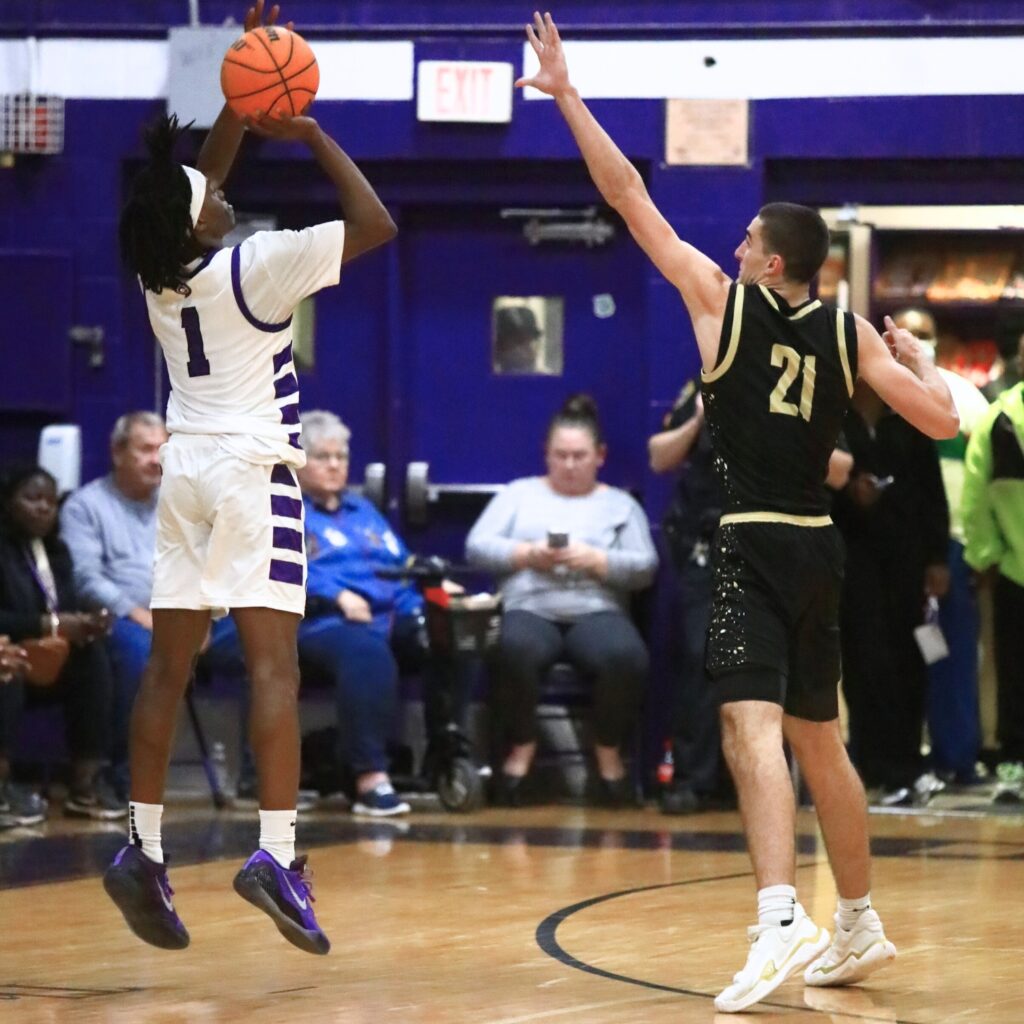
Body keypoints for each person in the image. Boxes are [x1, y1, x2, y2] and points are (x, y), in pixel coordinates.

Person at [516, 12, 958, 1012]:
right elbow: (938, 420)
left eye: (750, 237)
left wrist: (568, 97)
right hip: (820, 550)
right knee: (820, 740)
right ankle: (857, 919)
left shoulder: (720, 301)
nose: (735, 241)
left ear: (772, 264)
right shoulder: (851, 335)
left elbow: (627, 196)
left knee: (746, 727)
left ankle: (777, 917)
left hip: (750, 544)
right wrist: (925, 363)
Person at [101, 0, 396, 956]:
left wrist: (240, 83)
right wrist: (308, 132)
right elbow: (377, 224)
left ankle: (143, 847)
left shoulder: (161, 272)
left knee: (168, 666)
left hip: (185, 468)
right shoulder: (259, 267)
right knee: (276, 667)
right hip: (249, 473)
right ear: (199, 221)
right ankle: (276, 851)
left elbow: (203, 177)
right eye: (211, 197)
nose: (223, 194)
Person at [650, 384, 852, 816]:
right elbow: (659, 457)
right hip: (711, 547)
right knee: (701, 656)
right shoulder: (706, 385)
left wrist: (784, 428)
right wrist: (699, 420)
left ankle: (760, 782)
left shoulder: (801, 379)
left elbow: (840, 470)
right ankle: (693, 779)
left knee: (772, 670)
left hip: (780, 550)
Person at [209, 410, 421, 817]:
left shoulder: (363, 511)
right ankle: (369, 777)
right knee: (366, 651)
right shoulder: (275, 507)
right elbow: (271, 569)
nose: (335, 465)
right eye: (323, 457)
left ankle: (453, 764)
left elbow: (398, 568)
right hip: (309, 619)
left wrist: (428, 599)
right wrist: (335, 595)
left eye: (341, 457)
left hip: (381, 614)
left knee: (454, 632)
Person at [465, 394, 658, 807]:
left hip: (596, 608)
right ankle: (521, 746)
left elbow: (646, 566)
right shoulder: (518, 495)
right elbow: (477, 546)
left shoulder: (620, 505)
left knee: (627, 657)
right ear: (547, 454)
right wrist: (525, 554)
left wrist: (599, 561)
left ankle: (608, 753)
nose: (569, 465)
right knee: (509, 646)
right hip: (529, 606)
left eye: (579, 456)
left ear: (599, 456)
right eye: (561, 455)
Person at [832, 380, 950, 805]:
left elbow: (931, 491)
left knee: (910, 659)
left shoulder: (908, 419)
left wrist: (937, 558)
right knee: (866, 660)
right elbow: (817, 486)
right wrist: (851, 492)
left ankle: (909, 762)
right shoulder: (833, 419)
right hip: (853, 560)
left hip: (906, 559)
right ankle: (874, 766)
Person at [893, 310, 989, 787]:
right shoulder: (879, 392)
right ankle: (905, 757)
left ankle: (957, 756)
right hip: (892, 550)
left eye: (924, 334)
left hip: (951, 545)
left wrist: (974, 546)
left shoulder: (965, 398)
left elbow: (981, 480)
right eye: (907, 332)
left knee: (950, 656)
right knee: (898, 658)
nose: (916, 340)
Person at [0, 466, 124, 824]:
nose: (44, 508)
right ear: (8, 502)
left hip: (48, 661)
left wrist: (87, 622)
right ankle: (2, 786)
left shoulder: (57, 551)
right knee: (7, 665)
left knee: (93, 659)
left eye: (51, 501)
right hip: (12, 656)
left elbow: (64, 608)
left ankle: (85, 785)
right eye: (32, 498)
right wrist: (47, 625)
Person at [60, 412, 168, 796]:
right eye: (146, 449)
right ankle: (126, 776)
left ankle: (259, 775)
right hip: (119, 618)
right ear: (118, 453)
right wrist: (138, 614)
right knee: (142, 652)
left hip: (180, 616)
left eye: (163, 450)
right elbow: (85, 579)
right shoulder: (85, 506)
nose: (157, 459)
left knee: (259, 641)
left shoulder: (180, 502)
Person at [962, 377, 1024, 803]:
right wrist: (988, 555)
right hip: (1012, 570)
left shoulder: (998, 417)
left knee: (1014, 671)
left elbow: (976, 494)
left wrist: (987, 554)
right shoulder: (997, 418)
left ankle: (1015, 760)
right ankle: (1015, 760)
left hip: (1012, 568)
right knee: (1014, 671)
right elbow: (977, 493)